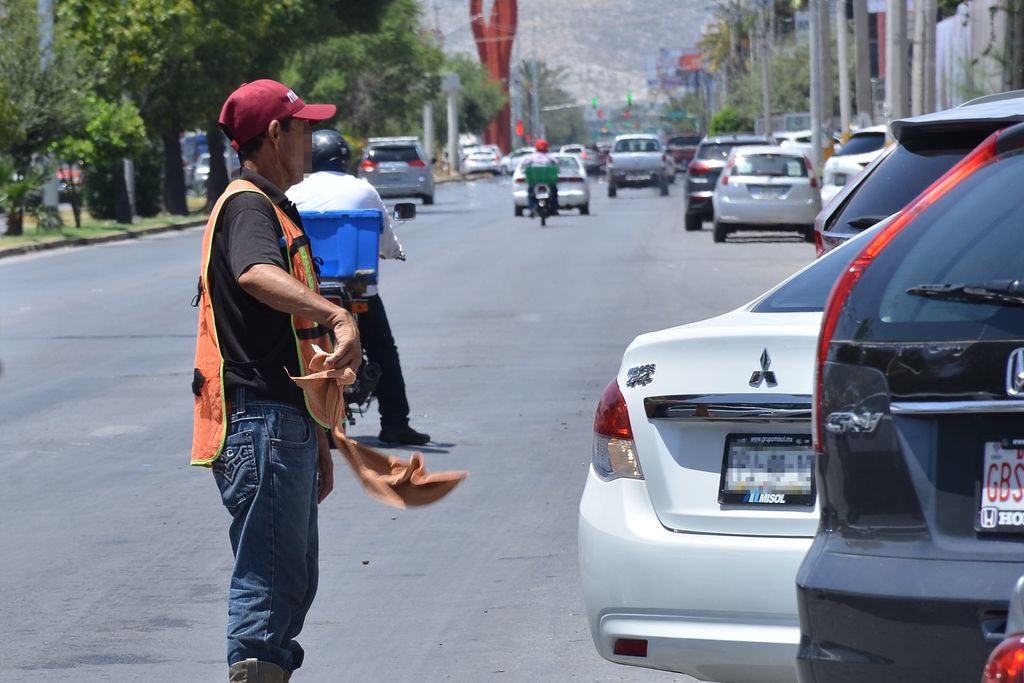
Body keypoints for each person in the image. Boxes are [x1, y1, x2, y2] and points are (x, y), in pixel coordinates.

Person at [190, 79, 361, 683]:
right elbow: (256, 274)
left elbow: (283, 335)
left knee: (290, 579)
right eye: (303, 128)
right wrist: (336, 314)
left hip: (281, 423)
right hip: (259, 422)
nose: (311, 140)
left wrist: (318, 439)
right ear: (273, 135)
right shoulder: (248, 205)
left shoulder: (271, 206)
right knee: (267, 585)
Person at [288, 129, 431, 446]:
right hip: (357, 289)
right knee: (383, 350)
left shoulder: (294, 192)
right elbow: (386, 239)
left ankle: (314, 422)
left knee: (297, 350)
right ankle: (395, 423)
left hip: (309, 292)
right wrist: (395, 253)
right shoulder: (363, 189)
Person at [520, 138, 560, 216]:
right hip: (548, 180)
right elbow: (557, 163)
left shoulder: (532, 156)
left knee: (530, 193)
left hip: (534, 180)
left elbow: (525, 164)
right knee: (554, 192)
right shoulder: (549, 156)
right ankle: (554, 208)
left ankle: (532, 208)